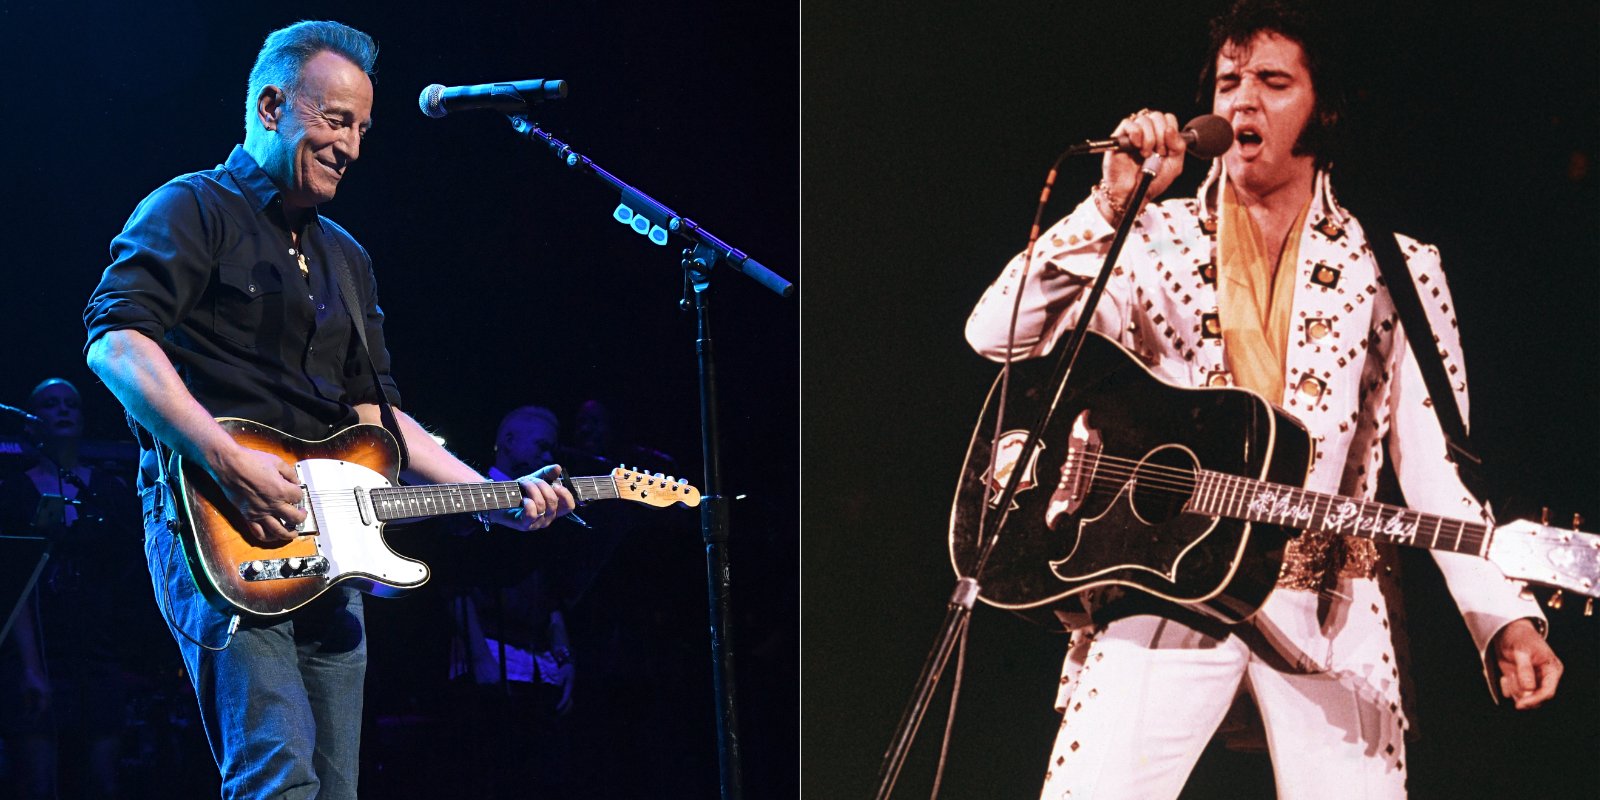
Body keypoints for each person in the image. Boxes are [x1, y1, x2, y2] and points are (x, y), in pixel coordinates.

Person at [963, 1, 1563, 797]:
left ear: (1326, 108)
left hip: (1329, 607)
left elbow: (1434, 473)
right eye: (1228, 81)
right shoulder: (1146, 236)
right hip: (1162, 589)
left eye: (1273, 82)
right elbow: (994, 333)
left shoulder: (1397, 269)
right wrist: (1110, 207)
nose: (1242, 101)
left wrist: (1503, 616)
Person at [80, 21, 574, 799]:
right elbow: (115, 341)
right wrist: (226, 455)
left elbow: (379, 418)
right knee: (278, 776)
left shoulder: (347, 257)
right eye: (336, 121)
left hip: (332, 541)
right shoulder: (192, 207)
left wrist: (496, 496)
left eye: (363, 130)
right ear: (272, 106)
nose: (351, 146)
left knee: (335, 788)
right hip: (219, 527)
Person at [0, 378, 144, 799]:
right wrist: (29, 665)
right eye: (49, 404)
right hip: (38, 653)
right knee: (37, 781)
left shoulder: (107, 490)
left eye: (71, 404)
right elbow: (13, 582)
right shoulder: (13, 492)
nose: (62, 411)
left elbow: (126, 577)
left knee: (102, 781)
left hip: (98, 652)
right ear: (32, 420)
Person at [441, 405, 577, 798]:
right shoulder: (472, 501)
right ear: (509, 441)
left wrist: (565, 657)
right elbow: (454, 584)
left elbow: (548, 590)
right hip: (489, 657)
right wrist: (480, 656)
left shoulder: (543, 507)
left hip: (539, 664)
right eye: (542, 446)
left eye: (552, 449)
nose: (549, 457)